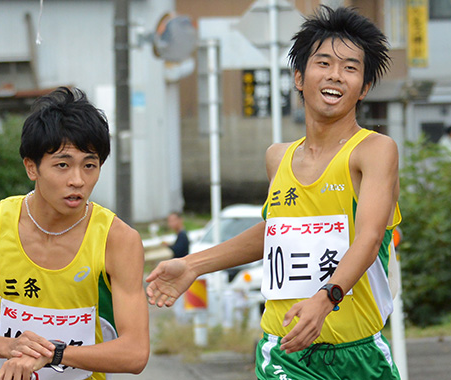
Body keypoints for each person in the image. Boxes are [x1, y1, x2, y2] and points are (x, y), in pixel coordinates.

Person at [147, 6, 402, 379]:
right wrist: (192, 265)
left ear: (363, 87)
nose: (335, 75)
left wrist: (326, 299)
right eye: (324, 63)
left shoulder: (374, 150)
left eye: (350, 68)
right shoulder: (278, 158)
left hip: (359, 352)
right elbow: (275, 233)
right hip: (285, 353)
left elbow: (370, 235)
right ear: (299, 77)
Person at [0, 87, 149, 380]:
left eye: (89, 165)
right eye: (62, 165)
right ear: (32, 167)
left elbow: (135, 353)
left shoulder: (118, 239)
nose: (78, 180)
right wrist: (9, 347)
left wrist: (53, 354)